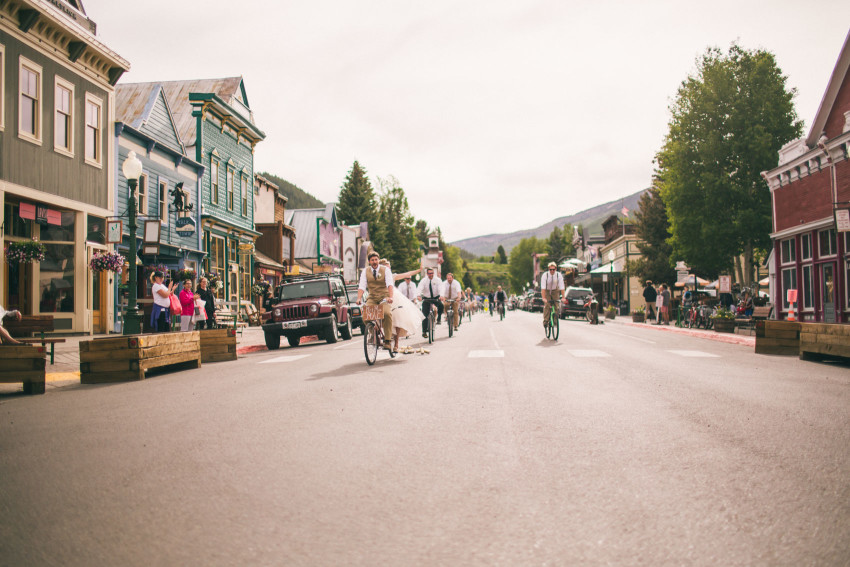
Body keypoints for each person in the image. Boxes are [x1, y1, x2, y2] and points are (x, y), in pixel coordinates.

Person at [380, 260, 425, 352]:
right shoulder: (378, 276)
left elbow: (406, 274)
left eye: (389, 267)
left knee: (397, 319)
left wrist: (419, 270)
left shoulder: (393, 276)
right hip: (381, 296)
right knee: (378, 317)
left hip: (394, 297)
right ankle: (375, 336)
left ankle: (396, 344)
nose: (388, 269)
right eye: (386, 267)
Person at [357, 252, 394, 349]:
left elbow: (390, 284)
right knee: (365, 315)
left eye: (376, 259)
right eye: (372, 260)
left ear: (378, 260)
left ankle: (388, 340)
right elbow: (362, 286)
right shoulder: (365, 271)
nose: (375, 262)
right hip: (372, 297)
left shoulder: (385, 270)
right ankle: (373, 332)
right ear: (369, 261)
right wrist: (359, 298)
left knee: (386, 314)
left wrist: (391, 297)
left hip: (384, 296)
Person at [417, 267, 443, 337]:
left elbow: (441, 288)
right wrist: (418, 295)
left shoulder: (438, 280)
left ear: (433, 273)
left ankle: (439, 318)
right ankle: (424, 332)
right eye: (429, 273)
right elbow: (419, 288)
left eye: (431, 273)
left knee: (441, 306)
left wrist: (441, 295)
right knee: (424, 315)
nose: (430, 275)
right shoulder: (424, 280)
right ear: (427, 273)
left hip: (435, 297)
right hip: (427, 298)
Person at [540, 261, 565, 327]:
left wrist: (563, 297)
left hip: (555, 290)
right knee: (547, 305)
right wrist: (544, 298)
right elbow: (543, 288)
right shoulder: (545, 275)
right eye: (550, 269)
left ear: (556, 269)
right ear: (548, 269)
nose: (552, 271)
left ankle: (555, 320)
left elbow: (562, 287)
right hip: (547, 290)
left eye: (553, 269)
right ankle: (545, 321)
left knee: (556, 305)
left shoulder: (558, 275)